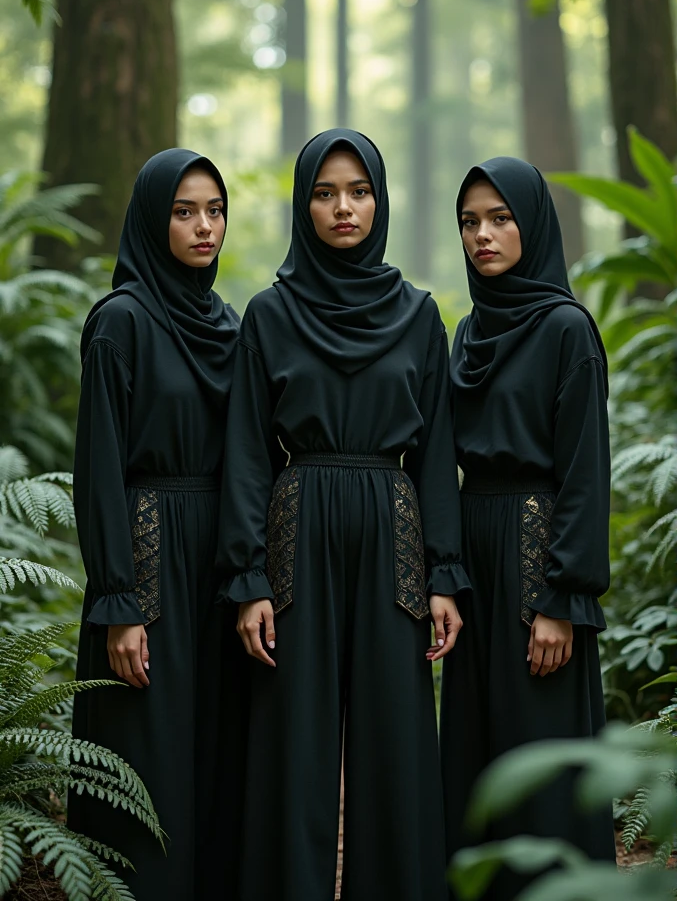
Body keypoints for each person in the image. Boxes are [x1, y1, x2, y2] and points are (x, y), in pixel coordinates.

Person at [216, 128, 470, 901]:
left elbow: (435, 457)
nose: (343, 207)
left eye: (358, 191)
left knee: (395, 738)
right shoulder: (268, 314)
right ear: (305, 205)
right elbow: (248, 455)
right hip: (298, 533)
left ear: (380, 200)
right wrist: (248, 577)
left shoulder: (421, 316)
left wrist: (444, 576)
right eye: (325, 193)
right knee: (294, 738)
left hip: (393, 529)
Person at [69, 149, 243, 901]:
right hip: (147, 558)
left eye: (214, 210)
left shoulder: (228, 322)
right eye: (184, 211)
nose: (205, 226)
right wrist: (120, 601)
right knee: (147, 754)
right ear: (150, 218)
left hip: (219, 561)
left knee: (215, 751)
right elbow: (98, 470)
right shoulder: (120, 323)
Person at [440, 157, 615, 899]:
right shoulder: (469, 331)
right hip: (475, 558)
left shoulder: (567, 329)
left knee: (541, 748)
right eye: (471, 222)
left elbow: (583, 471)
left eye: (501, 218)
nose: (484, 235)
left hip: (537, 556)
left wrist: (560, 597)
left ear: (533, 224)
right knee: (479, 750)